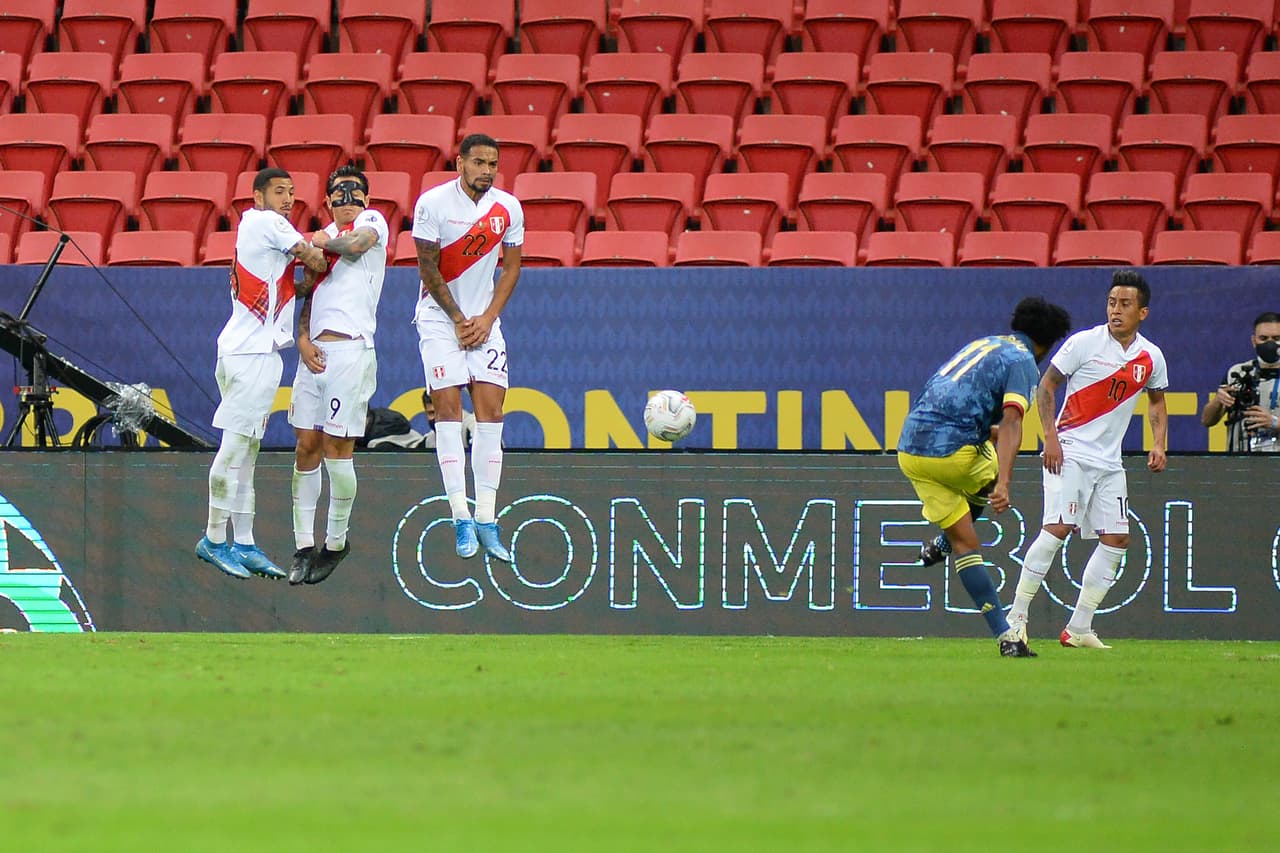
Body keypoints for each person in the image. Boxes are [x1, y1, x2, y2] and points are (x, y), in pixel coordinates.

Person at [897, 297, 1073, 657]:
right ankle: (1004, 634)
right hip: (954, 453)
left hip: (911, 451)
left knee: (966, 543)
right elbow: (1012, 422)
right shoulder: (1024, 361)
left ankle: (1005, 635)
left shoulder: (984, 343)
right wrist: (1004, 482)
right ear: (1048, 343)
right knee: (990, 466)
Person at [1006, 270, 1169, 650]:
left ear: (1142, 312)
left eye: (1125, 304)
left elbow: (1157, 401)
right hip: (1070, 450)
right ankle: (1016, 617)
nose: (1116, 310)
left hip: (1110, 461)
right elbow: (1046, 386)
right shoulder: (1084, 343)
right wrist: (1050, 437)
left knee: (1116, 539)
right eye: (1112, 302)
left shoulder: (1151, 356)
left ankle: (1079, 627)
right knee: (1058, 527)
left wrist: (1159, 443)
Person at [196, 167, 328, 580]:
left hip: (257, 353)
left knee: (248, 455)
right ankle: (214, 539)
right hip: (249, 354)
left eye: (292, 192)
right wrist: (327, 243)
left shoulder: (267, 240)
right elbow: (315, 258)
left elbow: (294, 286)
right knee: (234, 451)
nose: (288, 199)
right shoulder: (265, 222)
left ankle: (246, 542)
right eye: (278, 192)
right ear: (257, 197)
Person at [411, 133, 524, 562]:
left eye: (492, 164)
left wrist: (487, 319)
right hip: (441, 321)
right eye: (478, 163)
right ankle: (460, 514)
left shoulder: (508, 207)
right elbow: (426, 266)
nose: (486, 171)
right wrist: (459, 320)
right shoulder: (432, 204)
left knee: (492, 413)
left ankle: (488, 519)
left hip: (484, 321)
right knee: (448, 410)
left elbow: (512, 268)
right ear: (459, 163)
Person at [287, 165, 389, 585]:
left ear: (366, 198)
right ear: (327, 201)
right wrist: (302, 336)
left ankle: (335, 541)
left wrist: (320, 241)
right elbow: (307, 290)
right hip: (315, 353)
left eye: (355, 192)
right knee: (306, 445)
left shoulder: (371, 223)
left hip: (351, 349)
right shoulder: (321, 239)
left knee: (336, 446)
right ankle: (302, 545)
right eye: (339, 194)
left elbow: (355, 246)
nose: (348, 199)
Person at [1199, 311, 1280, 453]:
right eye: (1263, 338)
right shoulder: (1237, 372)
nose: (1270, 343)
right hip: (1238, 461)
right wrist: (1218, 400)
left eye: (1276, 338)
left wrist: (1274, 422)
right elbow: (1207, 420)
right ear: (1254, 341)